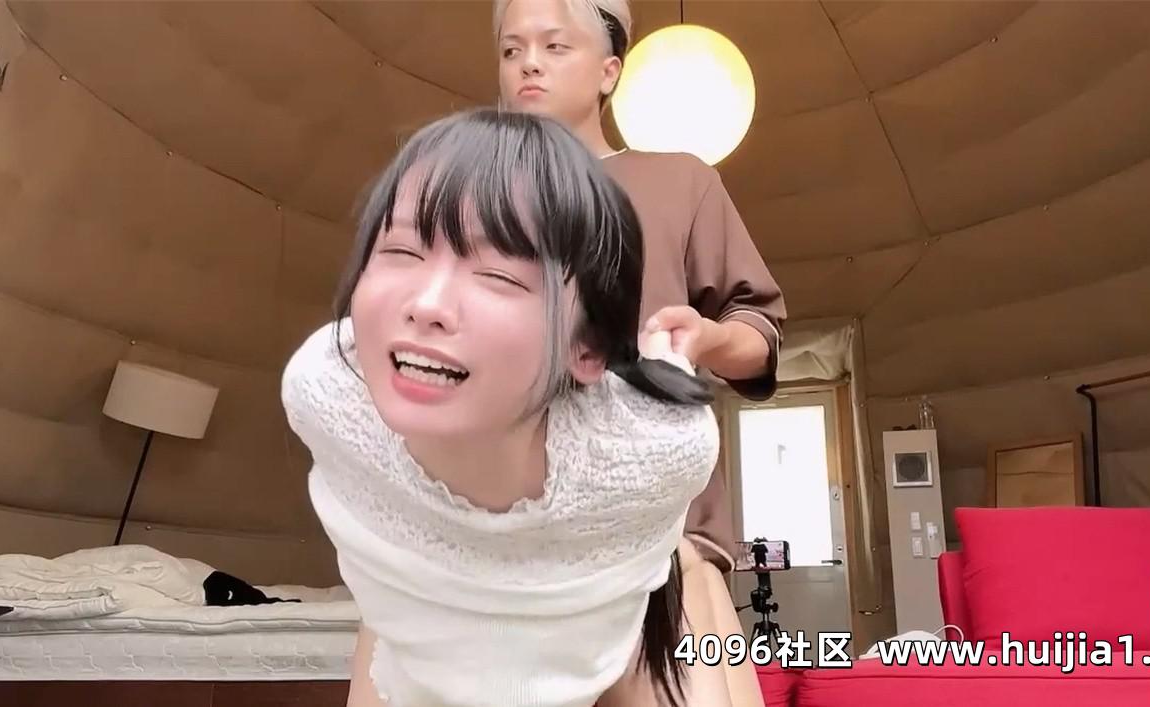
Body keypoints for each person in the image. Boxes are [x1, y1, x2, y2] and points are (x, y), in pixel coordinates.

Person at [282, 108, 721, 706]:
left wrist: (670, 359)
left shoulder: (654, 451)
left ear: (588, 347)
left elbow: (667, 389)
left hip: (612, 633)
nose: (426, 305)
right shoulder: (328, 392)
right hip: (415, 644)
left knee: (690, 575)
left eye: (498, 275)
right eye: (402, 251)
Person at [495, 0, 786, 703]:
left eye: (554, 45)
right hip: (508, 538)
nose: (528, 63)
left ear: (609, 71)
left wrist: (708, 337)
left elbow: (760, 335)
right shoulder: (473, 195)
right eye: (510, 49)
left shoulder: (680, 181)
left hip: (660, 536)